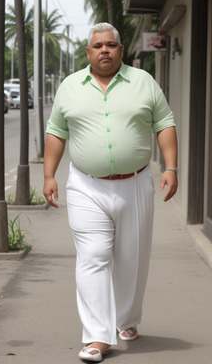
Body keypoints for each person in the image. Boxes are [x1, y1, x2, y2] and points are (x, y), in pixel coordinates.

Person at [43, 22, 178, 362]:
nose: (104, 49)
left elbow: (164, 123)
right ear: (88, 53)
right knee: (93, 258)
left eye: (111, 45)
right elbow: (57, 133)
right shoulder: (70, 87)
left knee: (132, 260)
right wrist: (49, 175)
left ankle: (127, 319)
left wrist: (171, 167)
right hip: (86, 186)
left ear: (120, 50)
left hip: (135, 183)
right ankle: (97, 337)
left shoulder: (143, 82)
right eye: (98, 45)